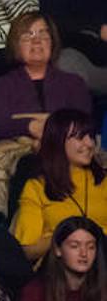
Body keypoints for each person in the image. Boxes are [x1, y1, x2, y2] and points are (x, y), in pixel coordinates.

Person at [13, 110, 107, 265]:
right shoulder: (36, 187)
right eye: (80, 137)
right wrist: (67, 235)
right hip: (56, 270)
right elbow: (28, 250)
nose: (90, 144)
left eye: (91, 136)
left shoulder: (104, 181)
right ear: (58, 140)